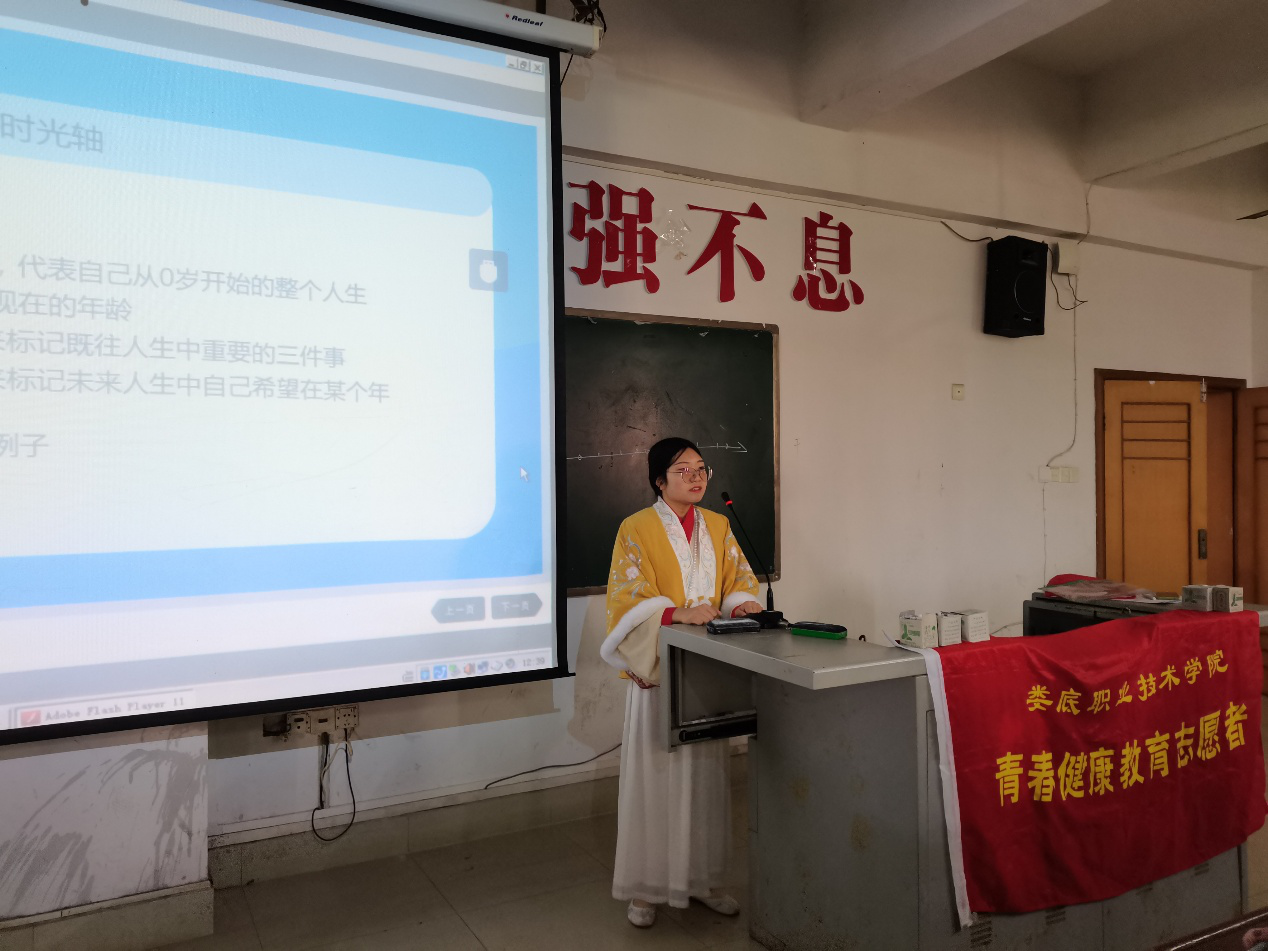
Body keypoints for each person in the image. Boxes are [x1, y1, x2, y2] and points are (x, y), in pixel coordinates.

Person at [600, 436, 764, 928]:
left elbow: (738, 579)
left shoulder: (718, 524)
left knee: (707, 777)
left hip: (705, 669)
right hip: (658, 666)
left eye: (701, 469)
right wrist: (676, 614)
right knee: (656, 775)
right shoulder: (636, 528)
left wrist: (742, 603)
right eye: (682, 470)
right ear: (659, 480)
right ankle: (646, 889)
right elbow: (627, 597)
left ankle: (703, 880)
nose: (695, 478)